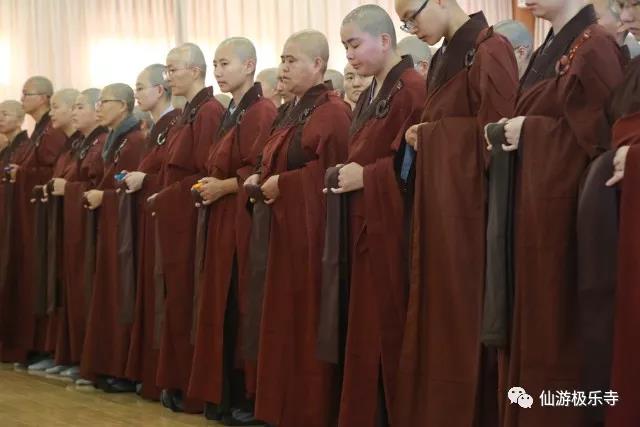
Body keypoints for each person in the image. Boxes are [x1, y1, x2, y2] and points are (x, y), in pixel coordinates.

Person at [489, 1, 624, 425]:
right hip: (534, 211)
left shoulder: (596, 45)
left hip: (568, 224)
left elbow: (604, 142)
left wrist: (532, 130)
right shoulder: (555, 45)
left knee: (559, 337)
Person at [392, 0, 519, 426]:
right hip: (441, 210)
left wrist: (433, 136)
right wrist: (423, 135)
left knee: (465, 323)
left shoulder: (489, 49)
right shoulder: (445, 55)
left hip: (472, 217)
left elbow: (497, 136)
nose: (412, 28)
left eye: (412, 16)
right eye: (404, 23)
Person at [245, 29, 351, 427]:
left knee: (304, 324)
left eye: (292, 61)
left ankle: (307, 412)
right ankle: (278, 409)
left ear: (318, 64)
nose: (283, 68)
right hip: (281, 232)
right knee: (278, 322)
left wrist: (285, 185)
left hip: (312, 240)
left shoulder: (333, 112)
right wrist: (260, 177)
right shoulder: (291, 110)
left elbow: (330, 175)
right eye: (282, 60)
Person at [327, 5, 426, 426]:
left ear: (385, 41)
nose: (348, 55)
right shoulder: (371, 92)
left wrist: (367, 176)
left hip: (392, 226)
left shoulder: (412, 89)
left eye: (354, 44)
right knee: (363, 332)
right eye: (345, 46)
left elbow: (415, 165)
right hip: (364, 220)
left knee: (385, 329)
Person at [187, 36, 277, 424]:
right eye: (215, 65)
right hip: (221, 217)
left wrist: (224, 186)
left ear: (249, 65)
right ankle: (222, 393)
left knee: (240, 303)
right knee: (221, 304)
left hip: (241, 218)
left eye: (225, 64)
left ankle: (245, 394)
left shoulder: (261, 110)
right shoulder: (232, 111)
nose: (218, 72)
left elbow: (260, 169)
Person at [134, 43, 224, 413]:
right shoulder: (188, 113)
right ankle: (174, 382)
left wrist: (167, 194)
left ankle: (191, 389)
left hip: (189, 219)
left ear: (195, 71)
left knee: (188, 302)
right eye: (167, 71)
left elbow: (205, 171)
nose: (169, 77)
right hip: (174, 218)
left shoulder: (210, 112)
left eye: (174, 70)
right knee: (174, 301)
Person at [80, 83, 147, 392]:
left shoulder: (133, 141)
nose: (98, 108)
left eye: (103, 102)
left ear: (122, 105)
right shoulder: (116, 138)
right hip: (111, 225)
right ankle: (108, 365)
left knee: (121, 295)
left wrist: (104, 196)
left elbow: (129, 187)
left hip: (126, 230)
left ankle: (122, 369)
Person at [122, 64, 181, 401]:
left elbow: (177, 176)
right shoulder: (155, 127)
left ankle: (161, 376)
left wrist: (147, 179)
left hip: (166, 217)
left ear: (160, 90)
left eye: (141, 87)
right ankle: (148, 373)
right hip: (150, 216)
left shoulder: (175, 123)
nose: (137, 94)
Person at [1, 76, 66, 367]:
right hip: (24, 216)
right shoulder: (39, 131)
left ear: (44, 98)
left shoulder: (51, 131)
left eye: (27, 94)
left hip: (39, 218)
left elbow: (53, 172)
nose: (23, 98)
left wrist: (23, 173)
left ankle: (40, 347)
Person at [47, 88, 108, 384]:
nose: (74, 112)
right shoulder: (83, 143)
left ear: (98, 109)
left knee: (87, 291)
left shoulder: (103, 141)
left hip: (91, 228)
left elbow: (99, 185)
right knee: (70, 289)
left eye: (80, 107)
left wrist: (67, 189)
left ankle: (88, 361)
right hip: (73, 224)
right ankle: (73, 356)